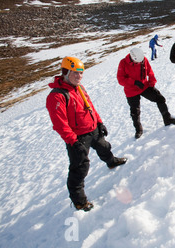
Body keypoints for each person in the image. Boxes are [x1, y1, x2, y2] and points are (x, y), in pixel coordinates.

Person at [46, 56, 127, 212]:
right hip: (77, 138)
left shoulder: (80, 88)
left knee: (104, 147)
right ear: (65, 72)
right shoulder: (57, 96)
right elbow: (60, 124)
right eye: (75, 73)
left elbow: (90, 107)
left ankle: (111, 162)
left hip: (92, 129)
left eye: (81, 73)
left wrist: (99, 122)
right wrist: (73, 142)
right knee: (80, 167)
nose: (79, 76)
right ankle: (79, 201)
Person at [117, 47, 175, 139]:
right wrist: (134, 82)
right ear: (132, 58)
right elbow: (120, 79)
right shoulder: (123, 63)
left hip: (144, 86)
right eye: (137, 62)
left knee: (160, 99)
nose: (139, 63)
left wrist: (152, 81)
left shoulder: (143, 59)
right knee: (135, 111)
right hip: (131, 91)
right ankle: (138, 130)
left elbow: (149, 71)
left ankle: (167, 119)